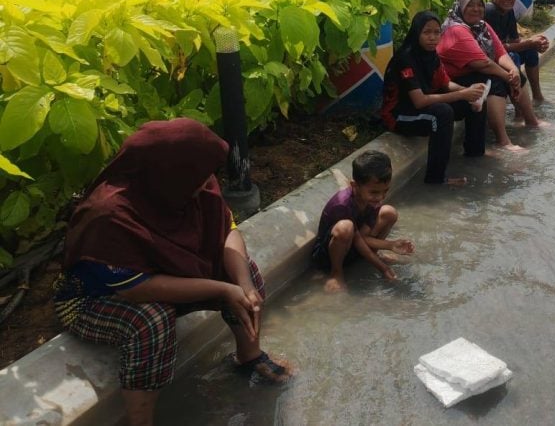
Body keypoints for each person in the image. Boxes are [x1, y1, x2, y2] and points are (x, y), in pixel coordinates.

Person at [54, 118, 293, 426]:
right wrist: (221, 290)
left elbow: (227, 229)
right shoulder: (110, 214)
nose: (207, 182)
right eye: (198, 176)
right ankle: (140, 421)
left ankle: (249, 356)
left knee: (242, 273)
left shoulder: (194, 183)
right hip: (95, 298)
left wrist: (243, 284)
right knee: (150, 321)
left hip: (162, 275)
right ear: (169, 175)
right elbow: (135, 288)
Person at [381, 10, 487, 185]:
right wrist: (461, 94)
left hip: (422, 108)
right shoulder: (405, 59)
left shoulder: (432, 56)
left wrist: (470, 92)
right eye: (426, 32)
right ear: (417, 33)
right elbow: (419, 101)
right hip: (399, 115)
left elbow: (446, 84)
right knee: (442, 113)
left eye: (437, 32)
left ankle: (475, 154)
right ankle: (435, 178)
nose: (432, 37)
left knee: (473, 99)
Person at [437, 0, 544, 151]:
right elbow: (482, 63)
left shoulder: (482, 25)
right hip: (451, 80)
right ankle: (503, 140)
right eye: (470, 5)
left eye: (479, 5)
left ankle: (531, 121)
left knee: (515, 73)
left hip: (472, 72)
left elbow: (500, 50)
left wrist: (513, 71)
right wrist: (508, 76)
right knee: (494, 82)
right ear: (461, 6)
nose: (476, 9)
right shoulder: (455, 29)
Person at [311, 150, 414, 293]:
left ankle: (374, 253)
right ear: (355, 186)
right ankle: (336, 272)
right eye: (374, 192)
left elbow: (363, 236)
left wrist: (390, 245)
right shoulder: (342, 205)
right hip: (330, 255)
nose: (380, 197)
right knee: (345, 227)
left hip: (356, 243)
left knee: (389, 212)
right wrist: (383, 265)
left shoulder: (372, 201)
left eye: (385, 191)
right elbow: (356, 239)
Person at [484, 0, 550, 103]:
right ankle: (519, 112)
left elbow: (514, 40)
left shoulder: (508, 11)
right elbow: (498, 48)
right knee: (513, 57)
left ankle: (537, 96)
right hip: (488, 56)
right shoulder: (490, 11)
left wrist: (535, 42)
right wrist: (529, 43)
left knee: (531, 52)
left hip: (501, 52)